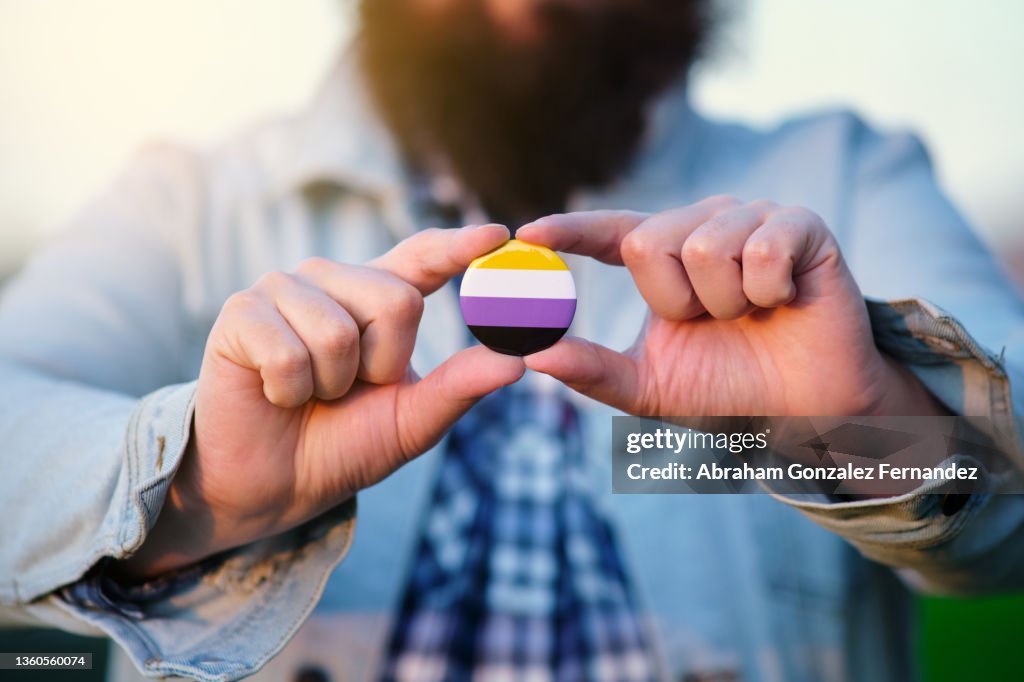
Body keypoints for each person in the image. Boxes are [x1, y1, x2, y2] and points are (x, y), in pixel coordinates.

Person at [2, 1, 1023, 680]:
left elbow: (1008, 528)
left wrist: (863, 428)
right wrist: (201, 489)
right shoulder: (189, 202)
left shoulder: (845, 177)